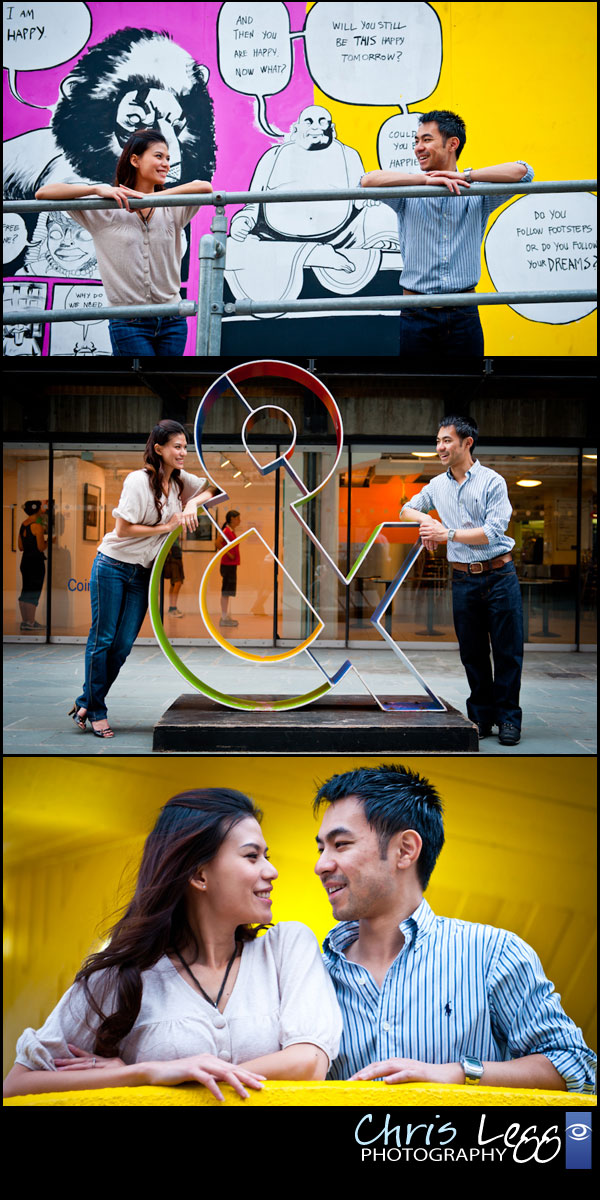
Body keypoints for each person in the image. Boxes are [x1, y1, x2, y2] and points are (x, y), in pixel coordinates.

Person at [4, 788, 341, 1100]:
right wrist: (145, 1073)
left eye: (266, 855)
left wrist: (181, 1082)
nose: (271, 871)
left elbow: (309, 1062)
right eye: (252, 856)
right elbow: (17, 1085)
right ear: (199, 875)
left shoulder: (286, 948)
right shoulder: (124, 976)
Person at [313, 763, 596, 1092]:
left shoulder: (493, 953)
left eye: (341, 844)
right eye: (320, 848)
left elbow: (575, 1065)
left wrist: (459, 1074)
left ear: (405, 850)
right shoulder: (310, 974)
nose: (321, 865)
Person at [69, 419, 216, 738]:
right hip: (112, 565)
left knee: (122, 645)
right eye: (177, 447)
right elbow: (122, 530)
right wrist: (169, 526)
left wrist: (191, 503)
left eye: (186, 447)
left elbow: (214, 489)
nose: (183, 453)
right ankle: (96, 709)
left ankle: (85, 700)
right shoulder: (138, 481)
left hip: (143, 574)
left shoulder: (179, 482)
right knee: (103, 639)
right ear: (159, 448)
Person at [360, 110, 534, 359]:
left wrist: (465, 176)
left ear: (453, 144)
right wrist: (424, 181)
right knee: (418, 393)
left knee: (464, 391)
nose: (418, 148)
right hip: (415, 313)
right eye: (416, 141)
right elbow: (367, 181)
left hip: (463, 314)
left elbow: (523, 172)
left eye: (426, 140)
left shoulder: (477, 193)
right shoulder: (408, 192)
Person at [35, 128, 213, 356]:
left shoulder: (173, 207)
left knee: (169, 387)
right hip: (129, 322)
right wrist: (96, 189)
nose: (166, 164)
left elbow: (204, 187)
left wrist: (150, 198)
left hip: (172, 320)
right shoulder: (102, 209)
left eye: (168, 158)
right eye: (158, 156)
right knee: (140, 387)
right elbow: (44, 192)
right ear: (135, 160)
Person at [401, 414, 523, 745]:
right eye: (438, 441)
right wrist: (428, 522)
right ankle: (481, 717)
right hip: (463, 579)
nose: (440, 447)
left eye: (447, 441)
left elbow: (493, 531)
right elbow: (406, 510)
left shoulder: (492, 481)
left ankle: (509, 718)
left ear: (467, 443)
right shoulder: (437, 486)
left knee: (507, 651)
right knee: (472, 652)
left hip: (499, 575)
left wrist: (447, 533)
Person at [17, 499, 47, 631]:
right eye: (42, 506)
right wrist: (49, 542)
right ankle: (31, 622)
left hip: (25, 561)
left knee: (25, 591)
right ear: (37, 509)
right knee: (34, 591)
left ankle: (25, 621)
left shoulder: (23, 525)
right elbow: (41, 547)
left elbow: (20, 546)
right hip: (36, 562)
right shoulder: (37, 526)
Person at [218, 509, 241, 628]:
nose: (239, 521)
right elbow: (217, 543)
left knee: (228, 591)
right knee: (226, 591)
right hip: (227, 565)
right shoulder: (226, 531)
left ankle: (226, 615)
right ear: (232, 519)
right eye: (238, 518)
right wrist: (229, 554)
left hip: (231, 565)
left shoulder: (230, 531)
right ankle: (223, 616)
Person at [164, 541, 186, 618]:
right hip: (173, 557)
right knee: (177, 582)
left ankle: (172, 607)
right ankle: (173, 608)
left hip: (176, 555)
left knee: (174, 584)